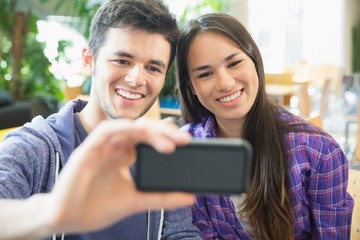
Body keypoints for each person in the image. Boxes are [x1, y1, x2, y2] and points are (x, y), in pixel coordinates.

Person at [0, 0, 202, 239]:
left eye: (153, 68)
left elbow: (181, 233)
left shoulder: (161, 155)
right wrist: (51, 212)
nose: (137, 79)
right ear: (89, 60)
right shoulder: (34, 147)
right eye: (122, 61)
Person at [175, 13, 354, 240]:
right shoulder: (185, 149)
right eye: (206, 73)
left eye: (234, 63)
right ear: (190, 86)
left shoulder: (318, 151)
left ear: (254, 60)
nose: (225, 83)